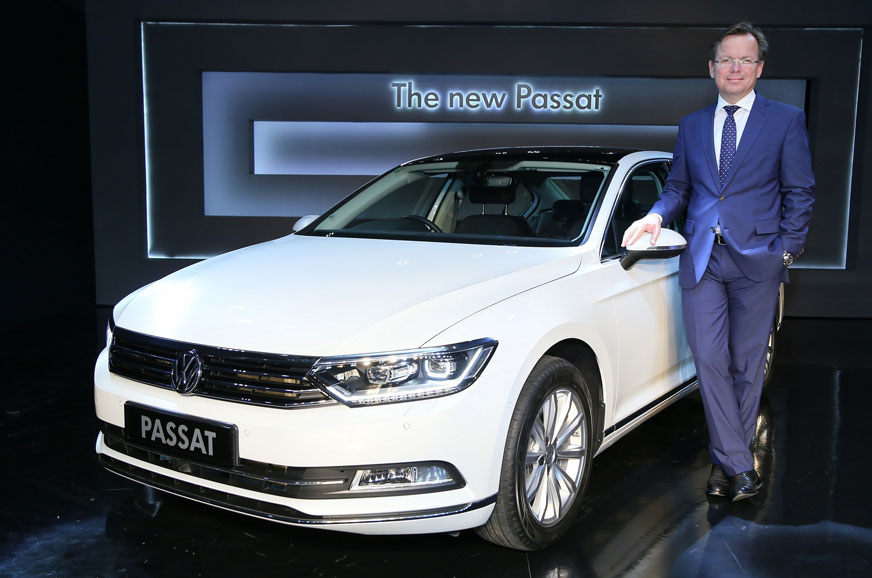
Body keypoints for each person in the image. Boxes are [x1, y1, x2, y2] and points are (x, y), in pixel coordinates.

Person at [622, 22, 814, 501]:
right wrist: (655, 215)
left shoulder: (785, 120)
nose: (735, 68)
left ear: (759, 69)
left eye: (745, 60)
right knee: (709, 361)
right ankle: (739, 464)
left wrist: (786, 251)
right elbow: (678, 187)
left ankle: (724, 463)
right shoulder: (691, 124)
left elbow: (800, 191)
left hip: (758, 260)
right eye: (727, 59)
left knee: (747, 366)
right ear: (712, 68)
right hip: (702, 258)